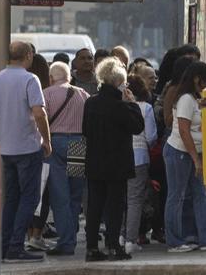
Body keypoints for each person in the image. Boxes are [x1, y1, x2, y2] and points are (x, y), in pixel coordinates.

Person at [83, 58, 145, 262]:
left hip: (94, 161)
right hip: (117, 163)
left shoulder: (90, 102)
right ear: (118, 82)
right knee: (115, 206)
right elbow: (137, 127)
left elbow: (85, 130)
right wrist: (133, 105)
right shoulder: (120, 106)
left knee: (95, 206)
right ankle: (112, 245)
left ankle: (91, 247)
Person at [0, 41, 52, 263]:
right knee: (30, 197)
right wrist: (46, 140)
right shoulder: (30, 79)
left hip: (5, 147)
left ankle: (4, 245)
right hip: (27, 147)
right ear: (28, 55)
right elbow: (39, 113)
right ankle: (16, 246)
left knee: (11, 198)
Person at [164, 61, 206, 253]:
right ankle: (174, 241)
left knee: (201, 195)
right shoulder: (185, 100)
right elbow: (183, 130)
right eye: (205, 80)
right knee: (177, 196)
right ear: (197, 79)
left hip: (193, 152)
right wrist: (196, 160)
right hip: (180, 153)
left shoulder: (195, 98)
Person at [42, 62, 90, 256]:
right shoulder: (83, 94)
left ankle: (66, 241)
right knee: (74, 194)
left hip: (56, 144)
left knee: (59, 195)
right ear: (69, 76)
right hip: (78, 144)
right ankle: (71, 235)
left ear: (52, 77)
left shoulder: (47, 94)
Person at [123, 75, 158, 254]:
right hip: (139, 157)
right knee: (135, 200)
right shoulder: (146, 108)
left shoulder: (118, 106)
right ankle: (131, 239)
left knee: (121, 199)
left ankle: (121, 235)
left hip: (119, 157)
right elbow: (151, 136)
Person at [26, 54, 52, 251]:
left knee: (27, 191)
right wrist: (48, 142)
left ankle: (27, 234)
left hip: (25, 144)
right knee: (45, 192)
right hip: (43, 146)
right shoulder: (43, 92)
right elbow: (40, 115)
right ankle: (37, 234)